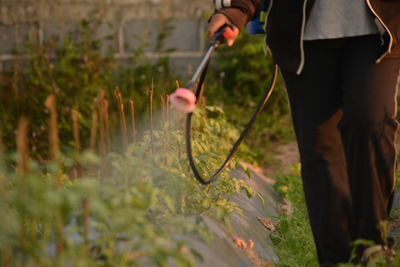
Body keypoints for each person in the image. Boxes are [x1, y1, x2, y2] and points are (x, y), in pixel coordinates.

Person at [207, 0, 400, 265]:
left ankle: (373, 247)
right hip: (302, 33)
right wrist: (238, 9)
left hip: (379, 26)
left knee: (369, 120)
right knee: (320, 150)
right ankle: (337, 260)